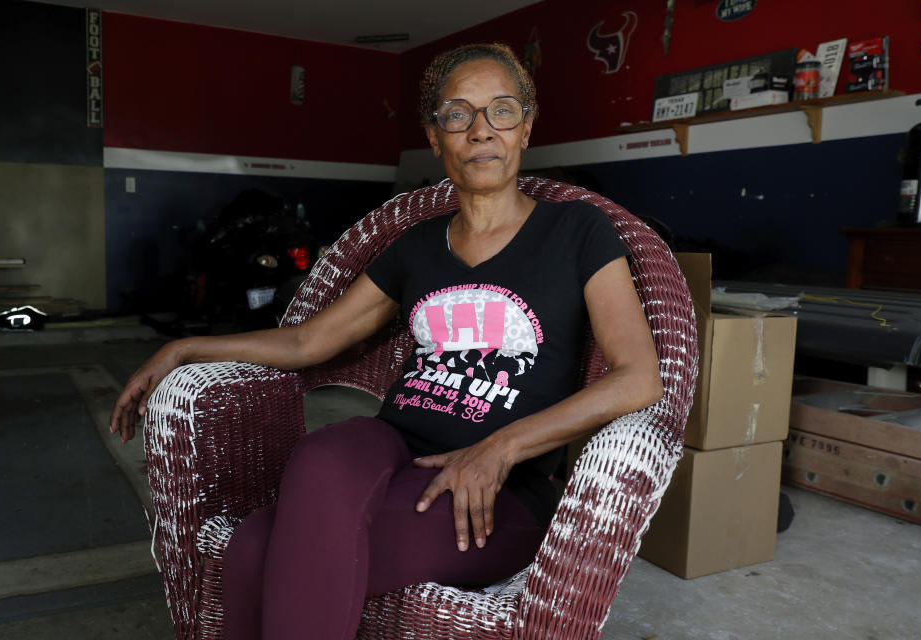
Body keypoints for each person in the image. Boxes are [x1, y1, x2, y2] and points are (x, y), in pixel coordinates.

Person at [110, 43, 663, 640]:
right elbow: (308, 342)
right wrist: (184, 349)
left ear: (526, 126)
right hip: (392, 441)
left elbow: (638, 376)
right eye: (458, 114)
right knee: (320, 455)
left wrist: (500, 449)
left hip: (500, 491)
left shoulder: (577, 230)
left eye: (501, 110)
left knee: (252, 550)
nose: (481, 130)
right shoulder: (415, 246)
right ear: (435, 136)